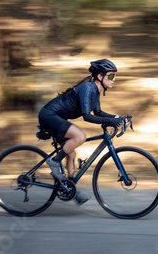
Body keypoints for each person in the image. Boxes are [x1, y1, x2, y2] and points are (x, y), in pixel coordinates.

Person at [38, 59, 126, 205]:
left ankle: (69, 188)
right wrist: (111, 122)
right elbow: (87, 116)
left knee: (71, 153)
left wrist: (118, 118)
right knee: (80, 136)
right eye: (110, 76)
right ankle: (53, 162)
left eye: (114, 76)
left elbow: (98, 112)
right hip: (49, 116)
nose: (114, 79)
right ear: (100, 76)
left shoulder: (96, 90)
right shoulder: (88, 88)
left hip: (57, 117)